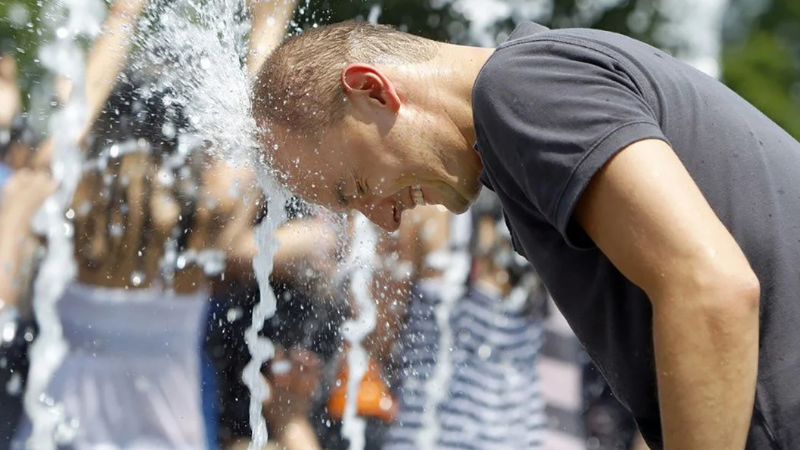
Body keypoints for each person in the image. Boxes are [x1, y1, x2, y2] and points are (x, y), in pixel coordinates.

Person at [251, 20, 800, 450]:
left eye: (355, 186)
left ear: (373, 90)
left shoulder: (520, 89)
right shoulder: (528, 110)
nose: (384, 219)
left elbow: (712, 289)